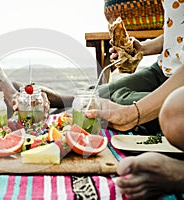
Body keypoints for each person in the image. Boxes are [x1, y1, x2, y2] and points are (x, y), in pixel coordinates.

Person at [85, 1, 184, 199]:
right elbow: (177, 28)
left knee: (172, 116)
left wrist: (133, 113)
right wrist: (143, 48)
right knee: (97, 95)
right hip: (163, 69)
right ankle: (62, 98)